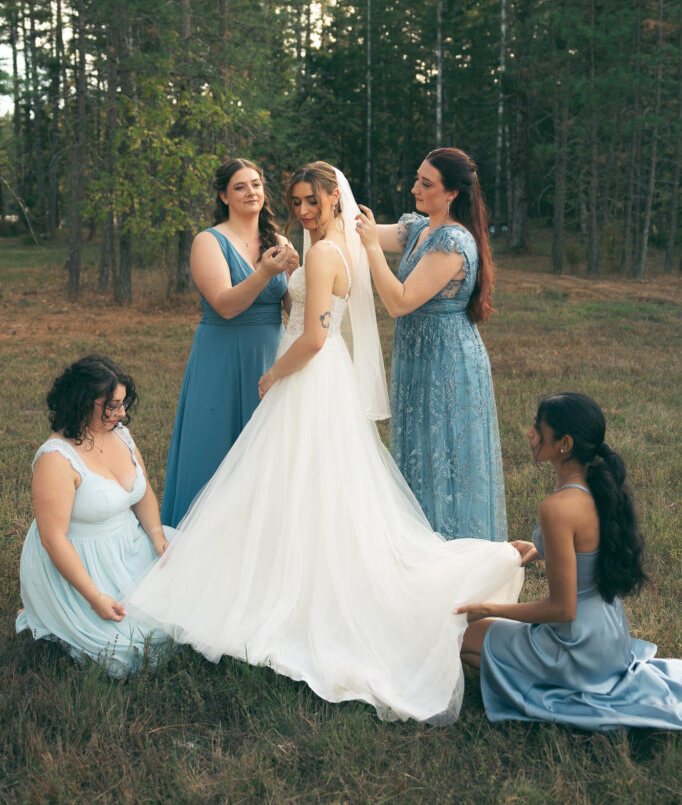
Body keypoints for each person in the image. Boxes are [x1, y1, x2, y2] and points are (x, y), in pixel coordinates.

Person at [125, 162, 523, 725]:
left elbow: (314, 337)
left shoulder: (322, 252)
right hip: (325, 376)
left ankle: (290, 587)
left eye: (313, 201)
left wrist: (272, 375)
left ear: (335, 198)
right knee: (312, 484)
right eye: (297, 202)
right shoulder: (336, 246)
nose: (303, 211)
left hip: (308, 375)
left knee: (289, 479)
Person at [455, 392, 682, 731]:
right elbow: (583, 547)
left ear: (564, 443)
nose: (530, 433)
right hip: (608, 635)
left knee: (460, 638)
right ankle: (551, 683)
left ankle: (556, 693)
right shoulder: (597, 486)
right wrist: (538, 548)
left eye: (538, 427)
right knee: (481, 644)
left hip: (575, 642)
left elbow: (563, 609)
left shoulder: (557, 508)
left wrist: (491, 609)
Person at [356, 147, 507, 541]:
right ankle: (419, 552)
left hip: (447, 361)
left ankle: (453, 556)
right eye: (417, 178)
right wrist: (330, 198)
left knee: (447, 459)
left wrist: (373, 248)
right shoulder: (419, 229)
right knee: (419, 455)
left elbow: (399, 301)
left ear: (452, 192)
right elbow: (360, 232)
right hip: (417, 358)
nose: (415, 188)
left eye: (426, 183)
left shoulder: (453, 242)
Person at [16, 355, 175, 677]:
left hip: (130, 544)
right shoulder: (56, 459)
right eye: (113, 406)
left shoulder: (120, 434)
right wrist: (95, 598)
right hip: (83, 563)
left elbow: (142, 493)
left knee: (195, 602)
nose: (122, 414)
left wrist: (158, 538)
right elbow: (53, 538)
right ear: (83, 404)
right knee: (130, 651)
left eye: (123, 404)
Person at [161, 157, 297, 526]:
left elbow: (291, 307)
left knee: (264, 453)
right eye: (240, 186)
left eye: (256, 184)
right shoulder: (208, 241)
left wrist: (300, 279)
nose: (251, 192)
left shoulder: (279, 241)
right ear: (224, 195)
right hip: (221, 357)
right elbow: (225, 305)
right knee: (213, 450)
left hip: (269, 356)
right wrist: (265, 271)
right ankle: (199, 539)